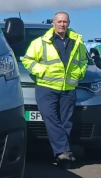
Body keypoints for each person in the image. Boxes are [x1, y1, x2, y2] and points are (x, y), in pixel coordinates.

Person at [21, 12, 88, 168]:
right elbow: (27, 59)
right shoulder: (40, 42)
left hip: (69, 87)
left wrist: (79, 73)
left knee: (66, 121)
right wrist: (41, 71)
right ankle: (64, 151)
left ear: (69, 23)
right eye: (59, 21)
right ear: (53, 23)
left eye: (65, 21)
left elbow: (83, 61)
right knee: (51, 118)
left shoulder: (77, 42)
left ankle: (61, 154)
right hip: (46, 87)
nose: (62, 24)